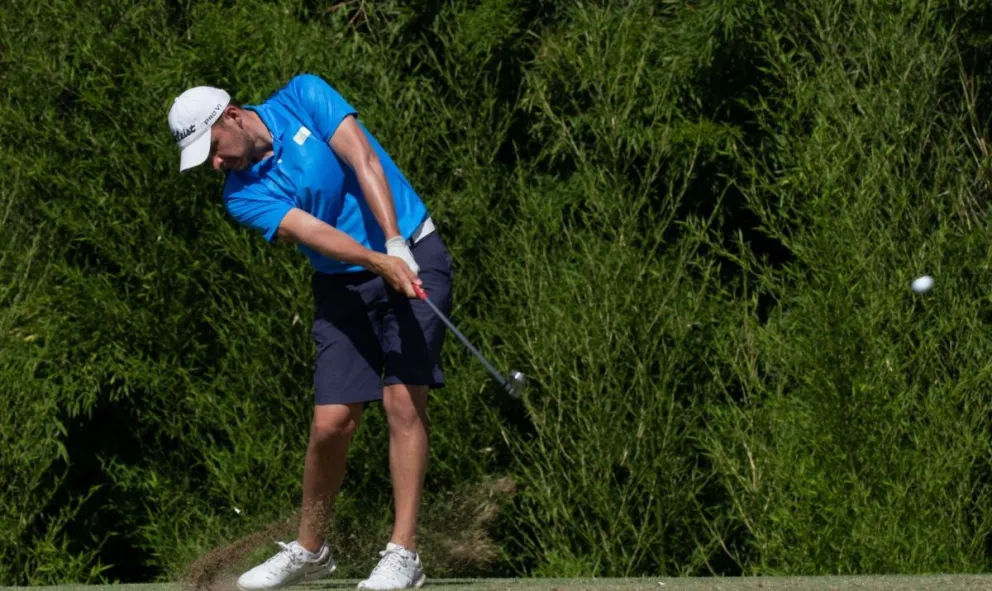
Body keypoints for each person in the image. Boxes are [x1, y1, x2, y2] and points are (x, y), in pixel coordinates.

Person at [167, 73, 454, 590]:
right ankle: (311, 548)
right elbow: (313, 232)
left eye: (212, 149)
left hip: (414, 250)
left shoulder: (304, 95)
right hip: (343, 285)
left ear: (230, 116)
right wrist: (374, 258)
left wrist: (394, 242)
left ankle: (404, 553)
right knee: (330, 424)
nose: (214, 164)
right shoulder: (240, 196)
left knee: (404, 403)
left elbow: (363, 160)